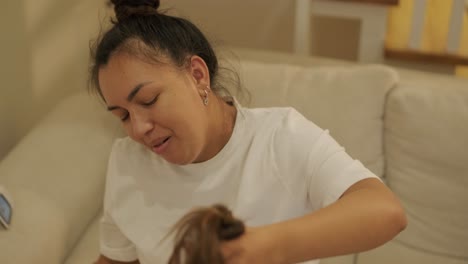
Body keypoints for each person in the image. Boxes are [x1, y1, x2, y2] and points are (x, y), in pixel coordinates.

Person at [91, 1, 407, 263]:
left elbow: (385, 212)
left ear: (197, 75)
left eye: (149, 100)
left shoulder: (280, 138)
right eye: (122, 116)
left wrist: (260, 246)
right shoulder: (127, 162)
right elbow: (116, 259)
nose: (139, 128)